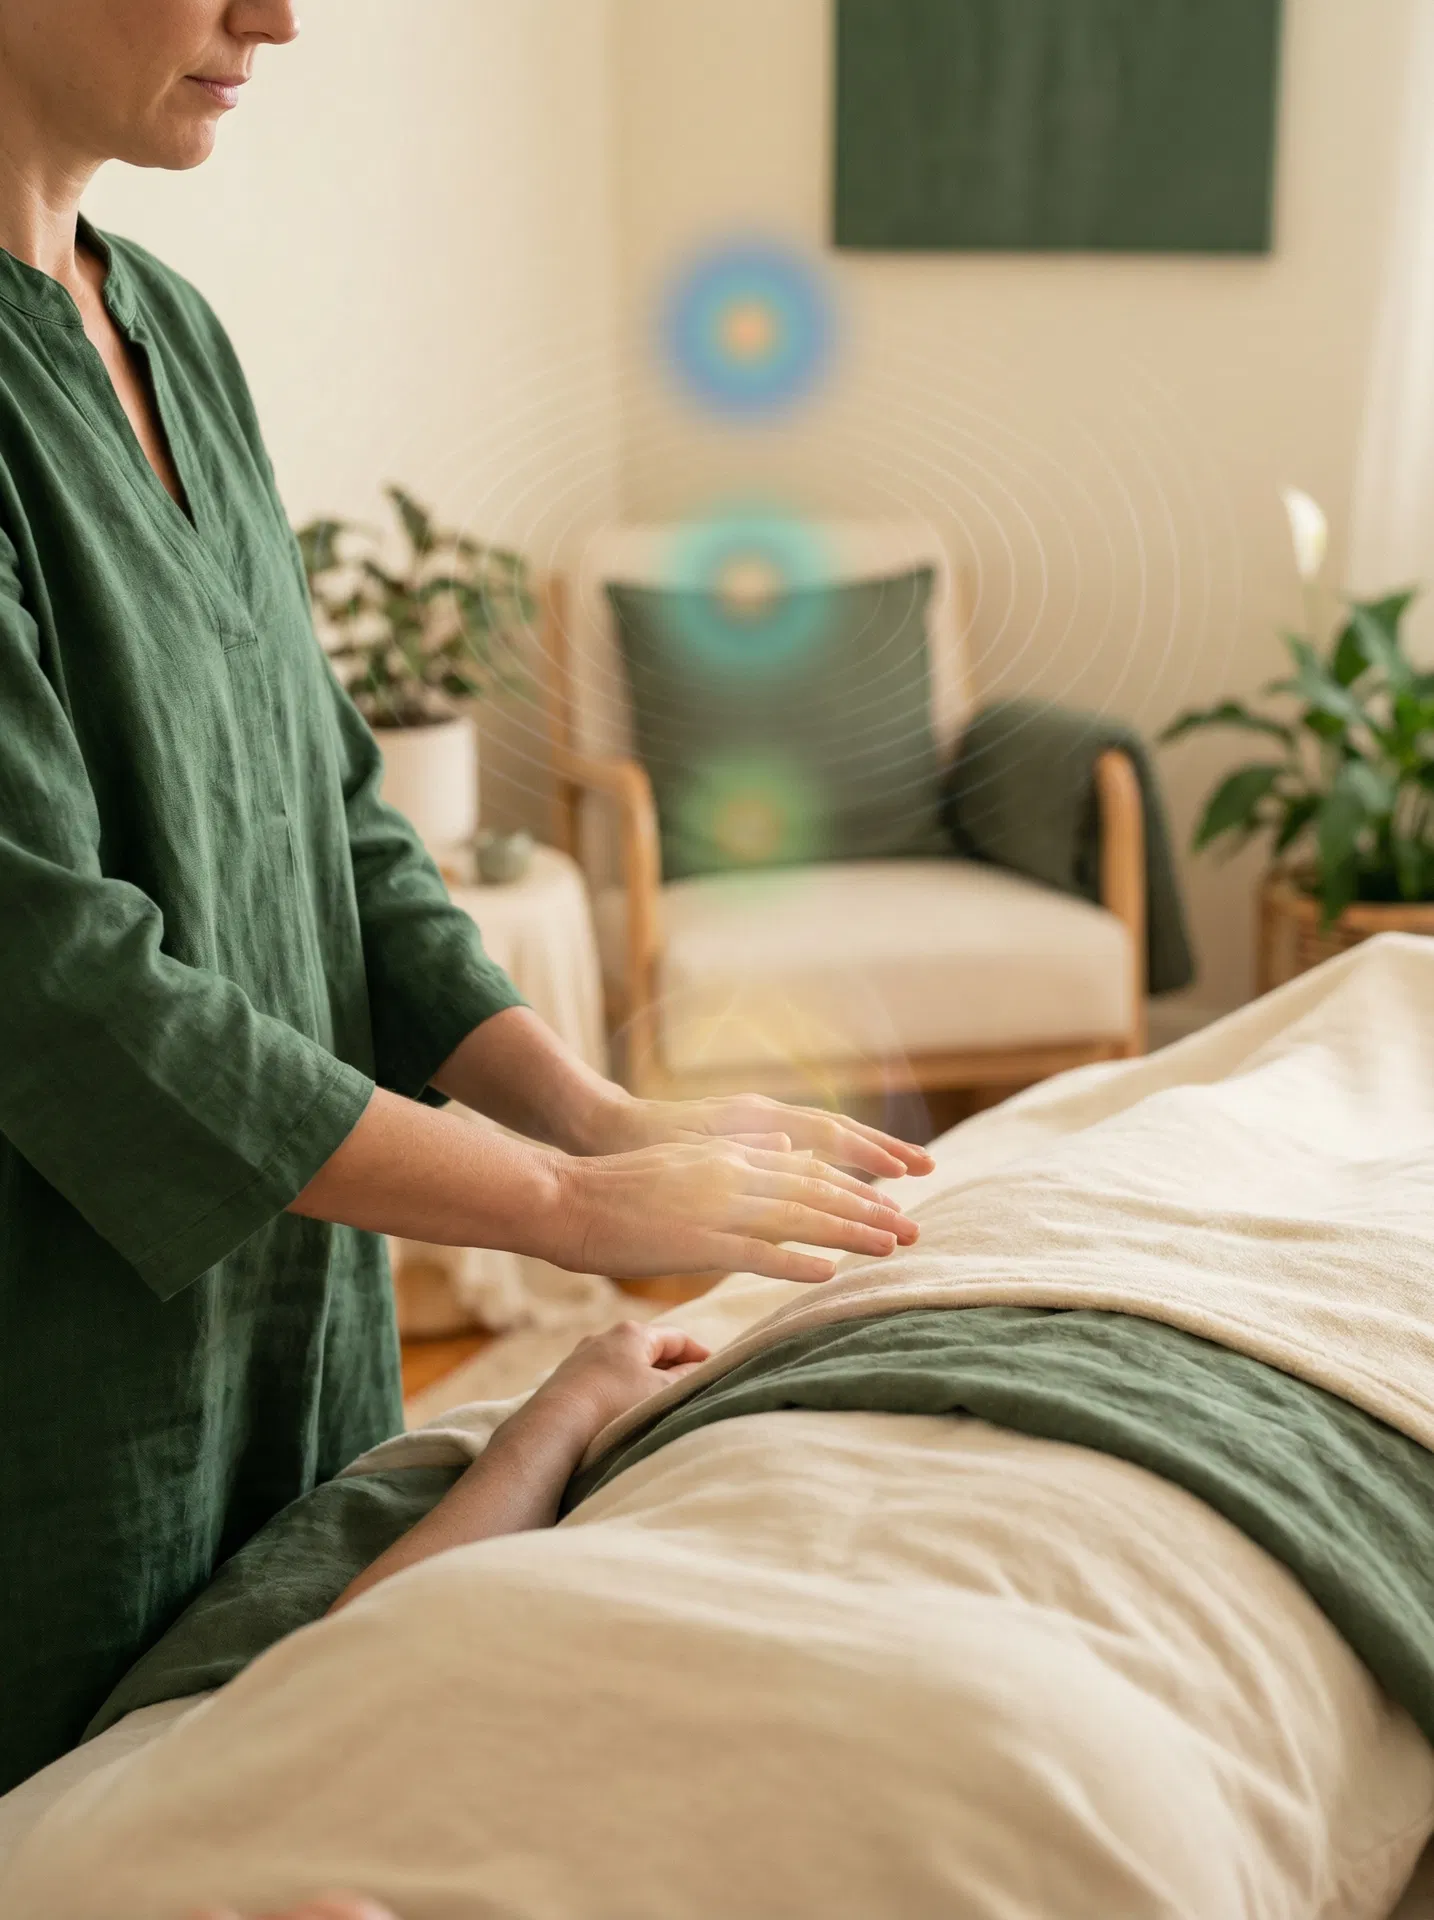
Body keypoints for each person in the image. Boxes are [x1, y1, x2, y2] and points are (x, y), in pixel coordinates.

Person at [0, 0, 932, 1794]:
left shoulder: (169, 330)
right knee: (100, 1825)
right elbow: (59, 987)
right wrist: (561, 1202)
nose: (278, 17)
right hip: (61, 1369)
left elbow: (334, 818)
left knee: (314, 1753)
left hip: (287, 1311)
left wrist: (593, 1114)